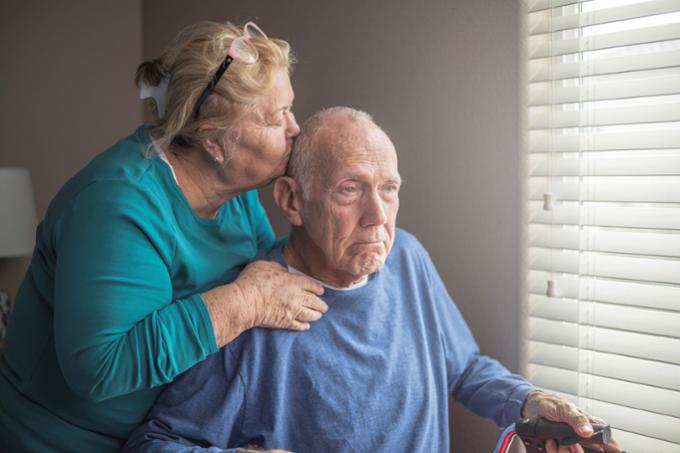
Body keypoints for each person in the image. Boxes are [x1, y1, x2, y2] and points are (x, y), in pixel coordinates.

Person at [123, 107, 620, 453]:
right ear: (292, 201)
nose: (377, 215)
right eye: (350, 189)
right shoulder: (253, 307)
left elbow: (464, 368)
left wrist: (531, 402)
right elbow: (154, 443)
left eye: (388, 188)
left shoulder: (407, 256)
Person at [0, 21, 329, 452]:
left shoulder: (237, 194)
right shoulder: (118, 204)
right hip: (65, 439)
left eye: (290, 109)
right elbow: (102, 368)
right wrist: (244, 303)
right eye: (275, 117)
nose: (295, 130)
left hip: (172, 432)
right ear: (213, 139)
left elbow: (272, 283)